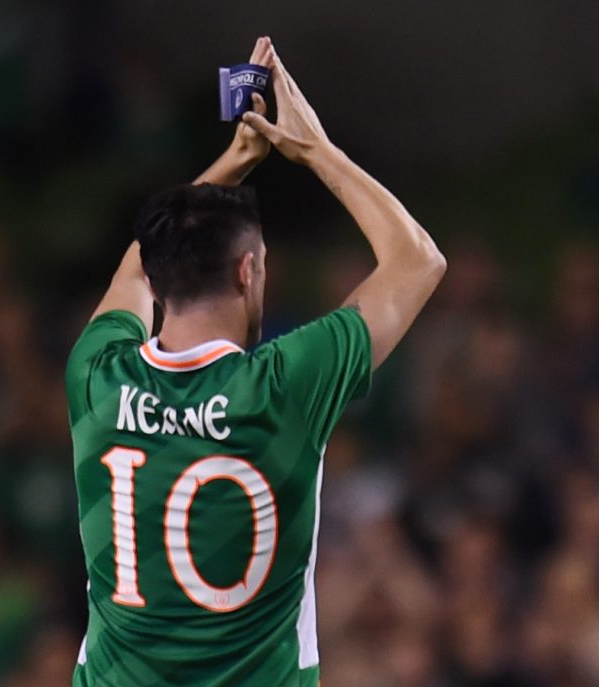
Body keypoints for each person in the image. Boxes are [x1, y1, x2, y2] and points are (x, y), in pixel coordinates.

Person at [65, 37, 446, 686]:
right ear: (248, 271)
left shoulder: (98, 375)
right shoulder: (286, 385)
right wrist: (313, 149)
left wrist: (231, 163)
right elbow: (418, 261)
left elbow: (136, 265)